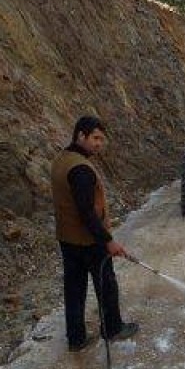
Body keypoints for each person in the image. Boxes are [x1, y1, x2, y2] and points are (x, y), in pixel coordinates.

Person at [51, 116, 139, 352]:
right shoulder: (81, 169)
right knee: (106, 284)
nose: (99, 144)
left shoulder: (62, 159)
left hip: (67, 239)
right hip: (89, 240)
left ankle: (76, 338)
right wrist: (108, 241)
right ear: (81, 135)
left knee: (74, 288)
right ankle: (113, 328)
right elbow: (87, 213)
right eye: (95, 138)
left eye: (102, 139)